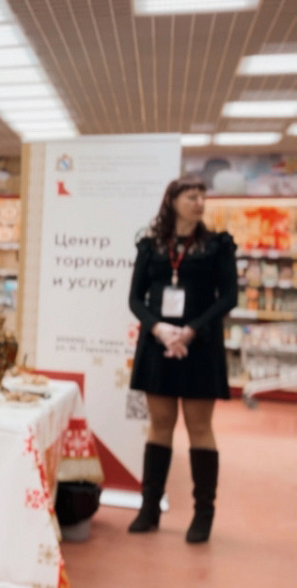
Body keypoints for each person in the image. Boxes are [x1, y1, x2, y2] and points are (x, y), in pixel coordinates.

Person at [127, 174, 237, 543]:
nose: (199, 202)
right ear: (172, 201)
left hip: (200, 345)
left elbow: (228, 297)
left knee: (199, 427)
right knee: (159, 424)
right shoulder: (151, 245)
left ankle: (203, 513)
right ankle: (149, 508)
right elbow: (135, 298)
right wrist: (158, 328)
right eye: (191, 196)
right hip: (158, 343)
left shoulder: (217, 245)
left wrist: (191, 330)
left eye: (202, 196)